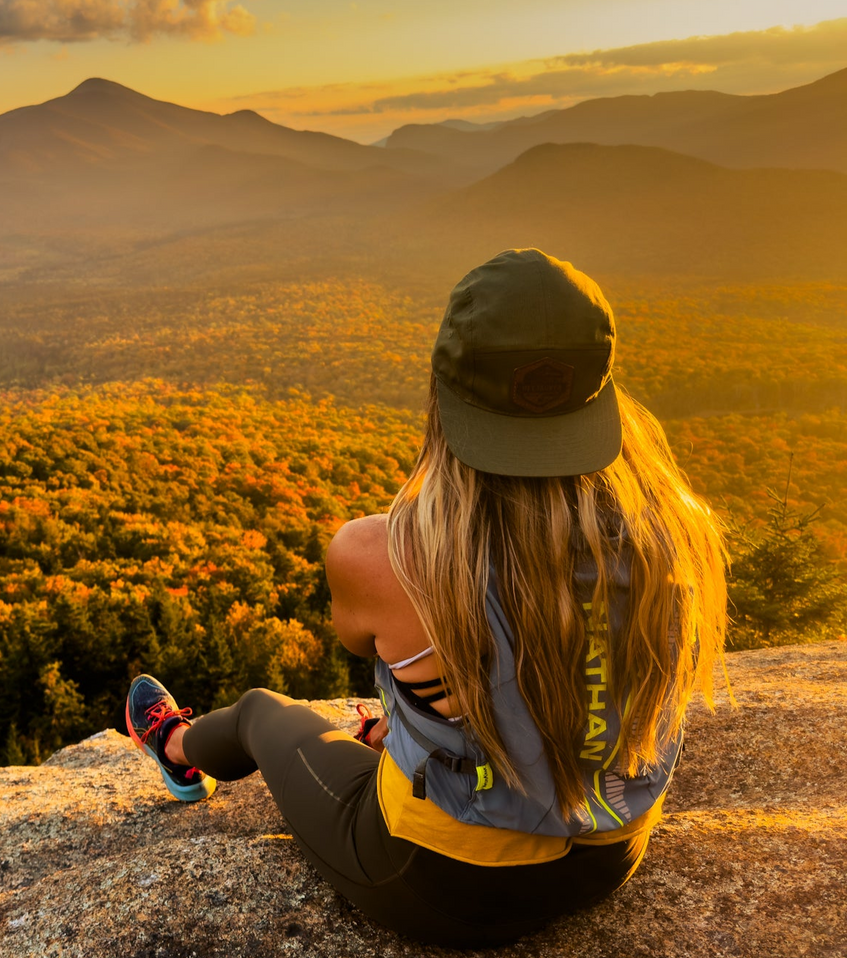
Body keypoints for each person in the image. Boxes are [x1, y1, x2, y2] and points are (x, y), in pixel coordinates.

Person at [124, 248, 729, 947]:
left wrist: (416, 720)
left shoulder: (382, 553)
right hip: (609, 856)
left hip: (443, 881)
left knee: (264, 712)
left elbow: (363, 639)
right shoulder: (677, 535)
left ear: (443, 396)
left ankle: (174, 746)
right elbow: (577, 669)